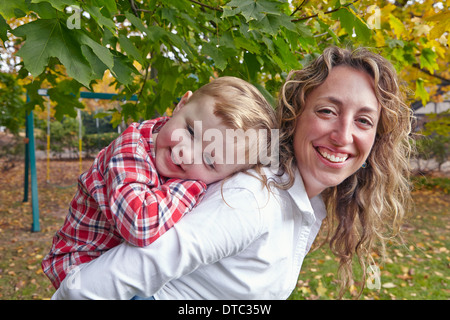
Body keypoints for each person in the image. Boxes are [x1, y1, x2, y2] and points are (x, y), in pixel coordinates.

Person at [52, 46, 412, 299]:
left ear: (376, 140)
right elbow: (90, 286)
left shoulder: (305, 202)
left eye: (364, 120)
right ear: (295, 114)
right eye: (327, 111)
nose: (343, 135)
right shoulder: (252, 198)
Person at [42, 76, 278, 289]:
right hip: (79, 267)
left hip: (120, 268)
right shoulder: (130, 150)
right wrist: (193, 186)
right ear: (181, 105)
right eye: (191, 132)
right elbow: (139, 223)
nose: (186, 153)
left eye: (209, 160)